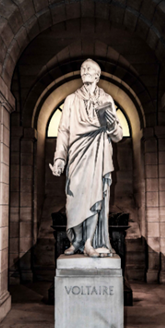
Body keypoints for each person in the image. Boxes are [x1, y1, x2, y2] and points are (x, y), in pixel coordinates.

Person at [50, 58, 123, 258]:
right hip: (77, 156)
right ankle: (77, 241)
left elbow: (118, 135)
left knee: (94, 200)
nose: (84, 71)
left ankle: (89, 242)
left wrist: (111, 126)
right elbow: (63, 130)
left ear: (97, 75)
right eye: (82, 69)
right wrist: (59, 158)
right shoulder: (71, 100)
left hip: (98, 155)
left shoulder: (106, 99)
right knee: (73, 199)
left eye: (89, 69)